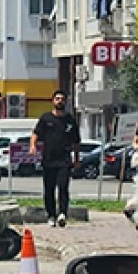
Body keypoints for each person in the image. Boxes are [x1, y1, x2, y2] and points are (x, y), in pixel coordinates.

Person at [29, 89, 81, 227]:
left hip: (64, 160)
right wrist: (33, 146)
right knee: (49, 189)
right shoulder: (46, 118)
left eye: (62, 99)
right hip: (48, 160)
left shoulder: (70, 120)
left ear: (65, 102)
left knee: (63, 187)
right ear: (53, 101)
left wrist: (76, 159)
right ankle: (51, 215)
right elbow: (35, 133)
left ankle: (63, 213)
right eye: (57, 99)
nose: (60, 101)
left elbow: (76, 142)